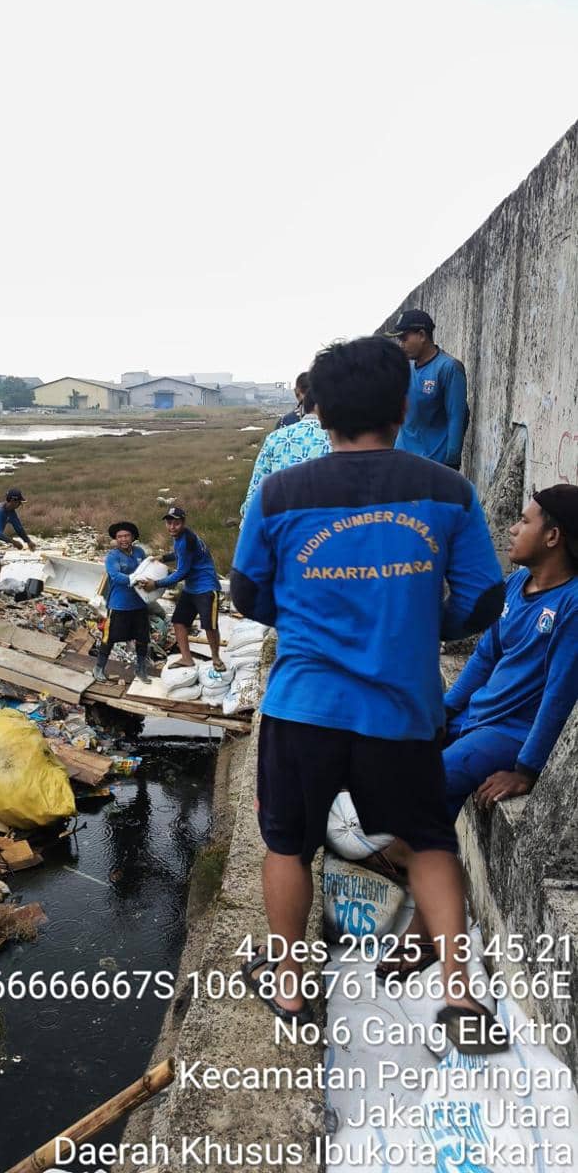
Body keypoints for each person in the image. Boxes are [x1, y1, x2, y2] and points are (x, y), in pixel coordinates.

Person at [231, 335, 507, 1053]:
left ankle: (290, 987)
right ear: (400, 405)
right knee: (427, 842)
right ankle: (459, 993)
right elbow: (482, 598)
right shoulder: (448, 492)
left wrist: (305, 618)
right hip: (404, 709)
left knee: (287, 845)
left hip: (305, 706)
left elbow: (248, 592)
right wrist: (417, 622)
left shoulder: (281, 493)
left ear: (319, 411)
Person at [381, 485, 578, 978]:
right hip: (479, 715)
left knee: (439, 781)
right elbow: (486, 656)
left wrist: (526, 770)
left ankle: (425, 930)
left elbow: (559, 696)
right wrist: (445, 708)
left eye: (526, 521)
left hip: (512, 732)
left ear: (553, 536)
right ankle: (409, 861)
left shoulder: (572, 606)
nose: (513, 528)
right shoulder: (515, 587)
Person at [139, 507, 225, 672]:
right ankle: (187, 658)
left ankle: (216, 659)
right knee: (179, 622)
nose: (172, 527)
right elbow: (179, 554)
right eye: (169, 523)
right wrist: (163, 557)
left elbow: (182, 573)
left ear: (183, 523)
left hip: (207, 587)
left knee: (210, 626)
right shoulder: (180, 537)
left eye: (176, 523)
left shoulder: (187, 540)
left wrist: (155, 584)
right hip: (191, 587)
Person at [387, 308, 469, 469]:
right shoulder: (406, 368)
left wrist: (452, 461)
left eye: (404, 338)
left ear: (422, 335)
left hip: (432, 465)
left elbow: (457, 417)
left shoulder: (448, 368)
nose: (401, 344)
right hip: (402, 460)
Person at [241, 386, 330, 517]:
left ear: (305, 407)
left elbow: (255, 492)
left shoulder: (275, 437)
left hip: (280, 525)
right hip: (326, 528)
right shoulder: (338, 440)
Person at [94, 521, 152, 685]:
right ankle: (98, 668)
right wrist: (135, 579)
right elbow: (115, 576)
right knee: (109, 637)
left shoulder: (140, 552)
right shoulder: (112, 556)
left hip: (140, 603)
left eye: (126, 536)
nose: (123, 539)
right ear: (115, 539)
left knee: (142, 638)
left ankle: (140, 669)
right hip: (119, 604)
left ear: (133, 537)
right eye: (119, 537)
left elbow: (149, 570)